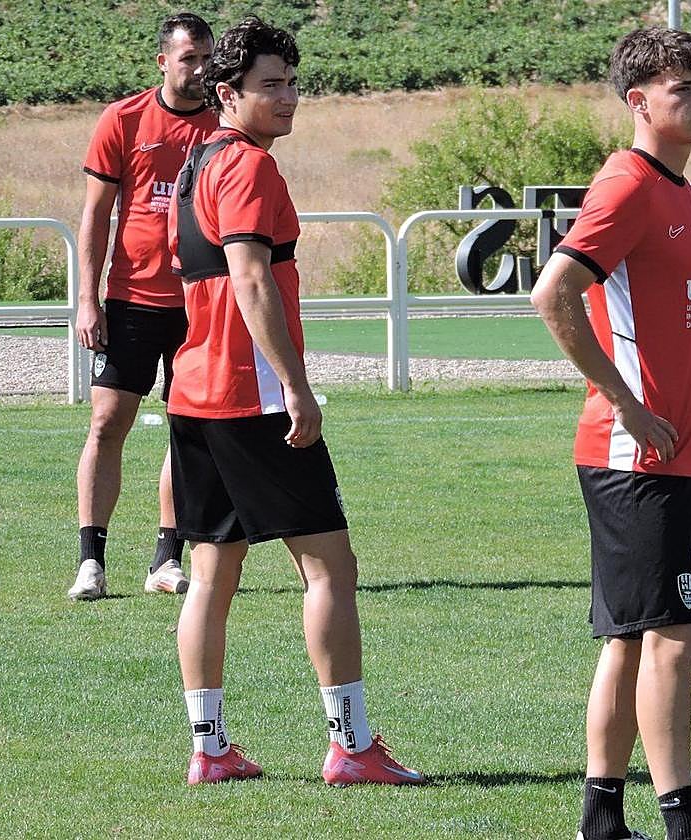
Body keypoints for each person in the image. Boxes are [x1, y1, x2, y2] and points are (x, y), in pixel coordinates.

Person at [165, 16, 424, 787]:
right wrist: (298, 387)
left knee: (212, 574)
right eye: (269, 86)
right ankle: (351, 745)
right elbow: (249, 280)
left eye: (291, 83)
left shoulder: (196, 162)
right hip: (252, 401)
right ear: (227, 94)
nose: (287, 98)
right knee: (330, 570)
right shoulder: (247, 166)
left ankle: (209, 749)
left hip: (195, 394)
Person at [532, 27, 691, 840]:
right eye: (683, 89)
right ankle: (683, 822)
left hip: (663, 455)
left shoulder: (680, 190)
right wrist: (628, 404)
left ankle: (602, 819)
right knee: (674, 640)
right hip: (633, 454)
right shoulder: (629, 185)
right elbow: (552, 294)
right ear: (639, 102)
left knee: (627, 639)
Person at [69, 12, 217, 601]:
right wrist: (87, 300)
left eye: (208, 57)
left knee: (187, 428)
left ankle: (166, 558)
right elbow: (95, 217)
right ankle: (90, 561)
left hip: (200, 303)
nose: (201, 69)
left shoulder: (223, 125)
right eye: (190, 59)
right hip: (130, 301)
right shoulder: (123, 119)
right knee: (107, 423)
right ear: (164, 61)